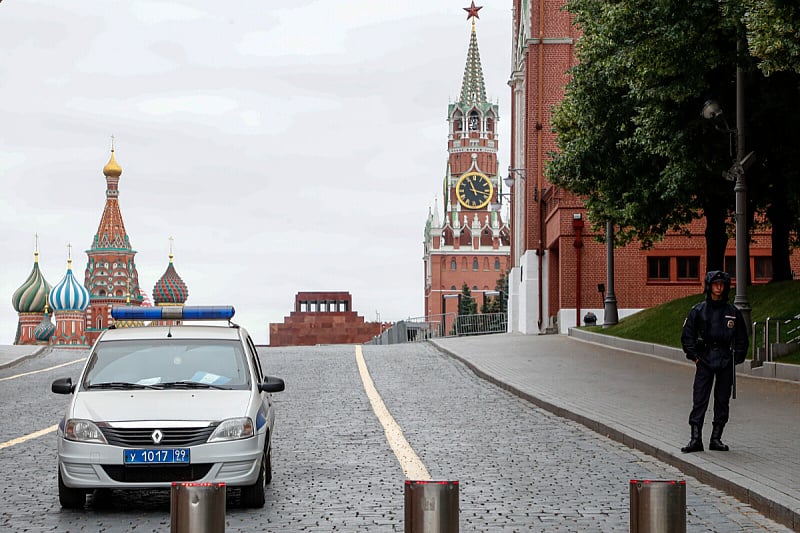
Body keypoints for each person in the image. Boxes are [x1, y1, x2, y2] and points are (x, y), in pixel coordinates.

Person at [680, 270, 748, 453]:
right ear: (709, 286)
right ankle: (695, 438)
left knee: (722, 400)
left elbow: (742, 339)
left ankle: (716, 438)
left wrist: (736, 358)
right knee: (700, 399)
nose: (719, 287)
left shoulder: (733, 312)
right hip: (704, 359)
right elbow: (687, 336)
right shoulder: (698, 310)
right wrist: (694, 357)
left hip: (725, 359)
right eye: (716, 284)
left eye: (722, 284)